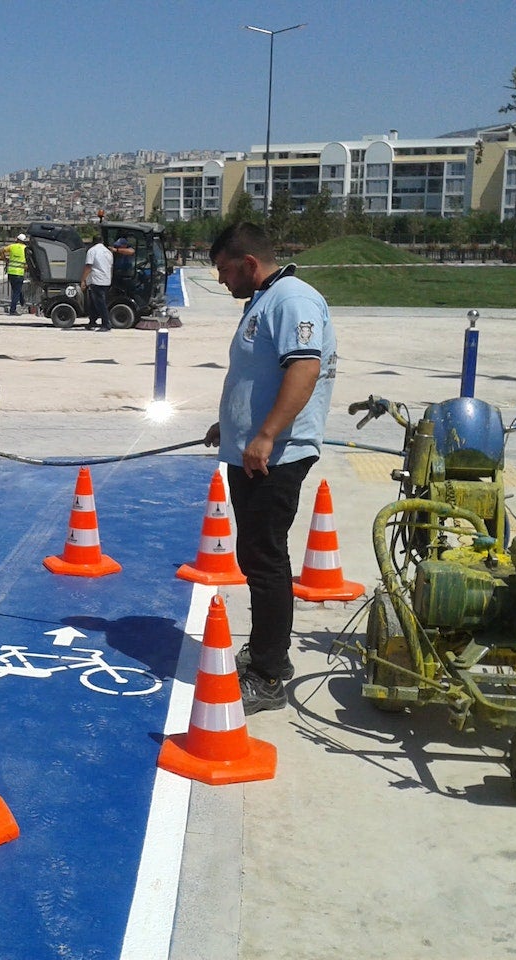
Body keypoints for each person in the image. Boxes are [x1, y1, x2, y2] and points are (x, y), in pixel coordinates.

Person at [203, 222, 337, 714]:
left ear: (249, 263)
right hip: (256, 451)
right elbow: (260, 374)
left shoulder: (291, 301)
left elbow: (304, 369)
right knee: (259, 558)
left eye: (224, 270)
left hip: (275, 456)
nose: (222, 280)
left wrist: (265, 435)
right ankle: (267, 654)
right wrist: (232, 425)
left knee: (265, 561)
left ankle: (267, 675)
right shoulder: (267, 299)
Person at [80, 235, 113, 331]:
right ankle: (92, 321)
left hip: (96, 280)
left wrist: (83, 280)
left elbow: (88, 266)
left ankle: (106, 324)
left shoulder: (92, 251)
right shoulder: (108, 252)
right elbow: (111, 266)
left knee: (100, 303)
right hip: (106, 280)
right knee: (94, 303)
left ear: (93, 242)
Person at [2, 233, 28, 315]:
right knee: (16, 292)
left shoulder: (12, 246)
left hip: (11, 272)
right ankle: (13, 310)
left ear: (17, 239)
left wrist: (5, 259)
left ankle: (23, 303)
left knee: (16, 290)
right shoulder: (25, 248)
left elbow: (1, 251)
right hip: (19, 273)